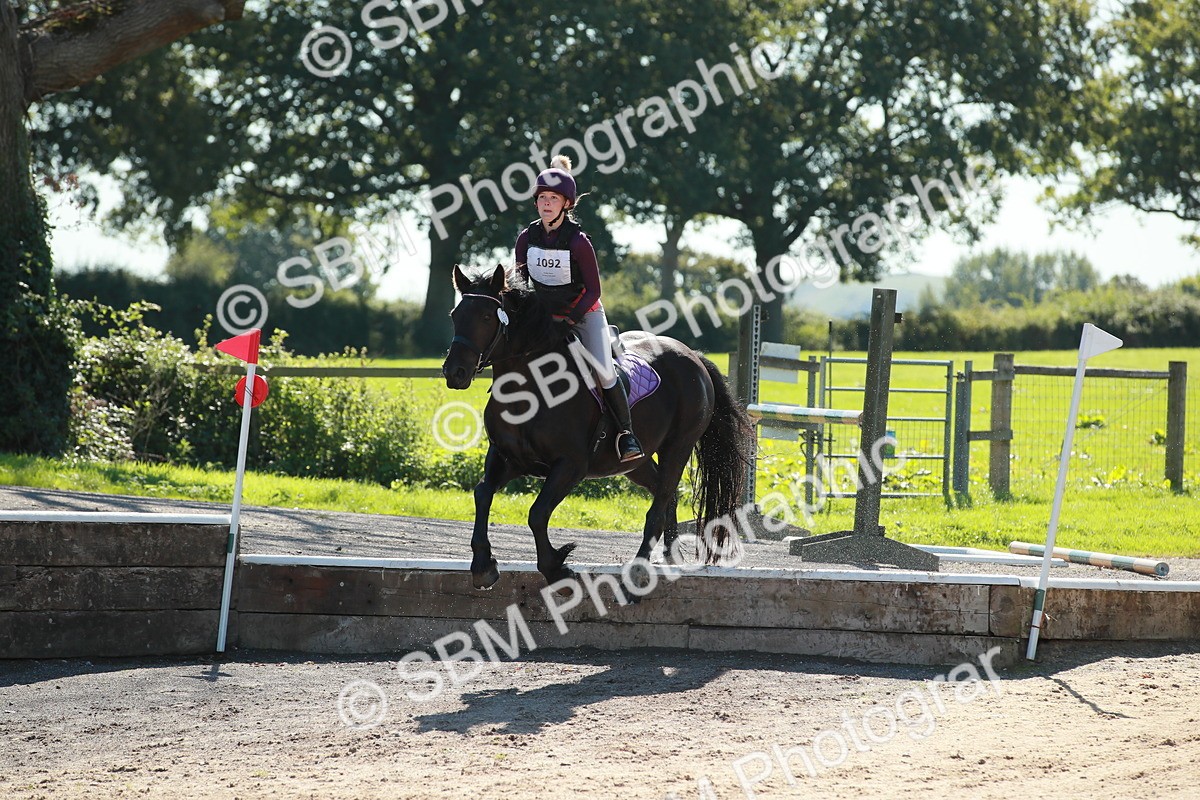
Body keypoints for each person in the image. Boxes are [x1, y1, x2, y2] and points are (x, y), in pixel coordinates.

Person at [514, 155, 645, 462]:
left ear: (566, 204)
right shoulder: (526, 238)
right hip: (544, 318)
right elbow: (520, 282)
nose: (546, 204)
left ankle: (627, 435)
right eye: (542, 198)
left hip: (584, 314)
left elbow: (594, 290)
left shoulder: (578, 242)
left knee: (603, 370)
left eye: (553, 199)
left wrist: (569, 319)